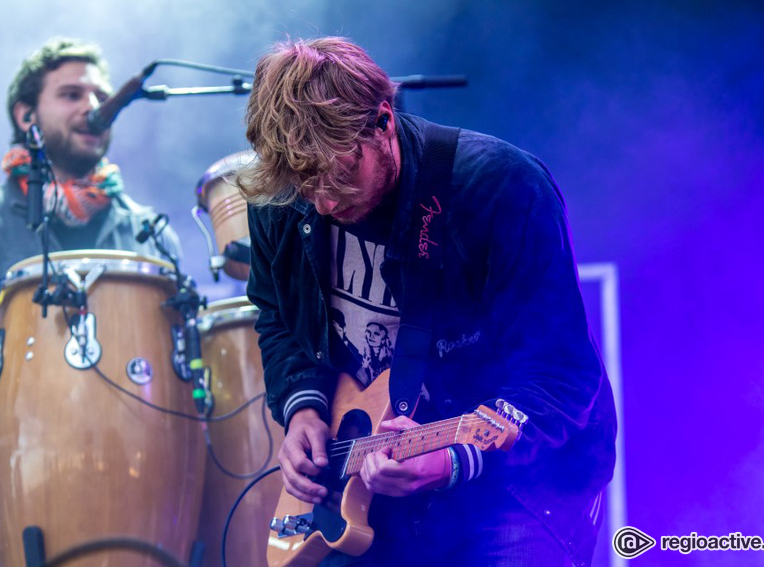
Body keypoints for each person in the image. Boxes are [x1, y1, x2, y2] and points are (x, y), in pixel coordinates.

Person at [240, 37, 617, 567]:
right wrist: (303, 406)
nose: (323, 202)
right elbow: (276, 315)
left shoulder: (500, 188)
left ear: (383, 122)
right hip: (372, 487)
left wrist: (449, 459)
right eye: (306, 187)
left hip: (514, 486)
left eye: (339, 176)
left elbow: (561, 376)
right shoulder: (281, 197)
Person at [0, 37, 180, 566]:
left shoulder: (147, 235)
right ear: (26, 113)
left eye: (99, 94)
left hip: (136, 498)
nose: (92, 106)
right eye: (71, 94)